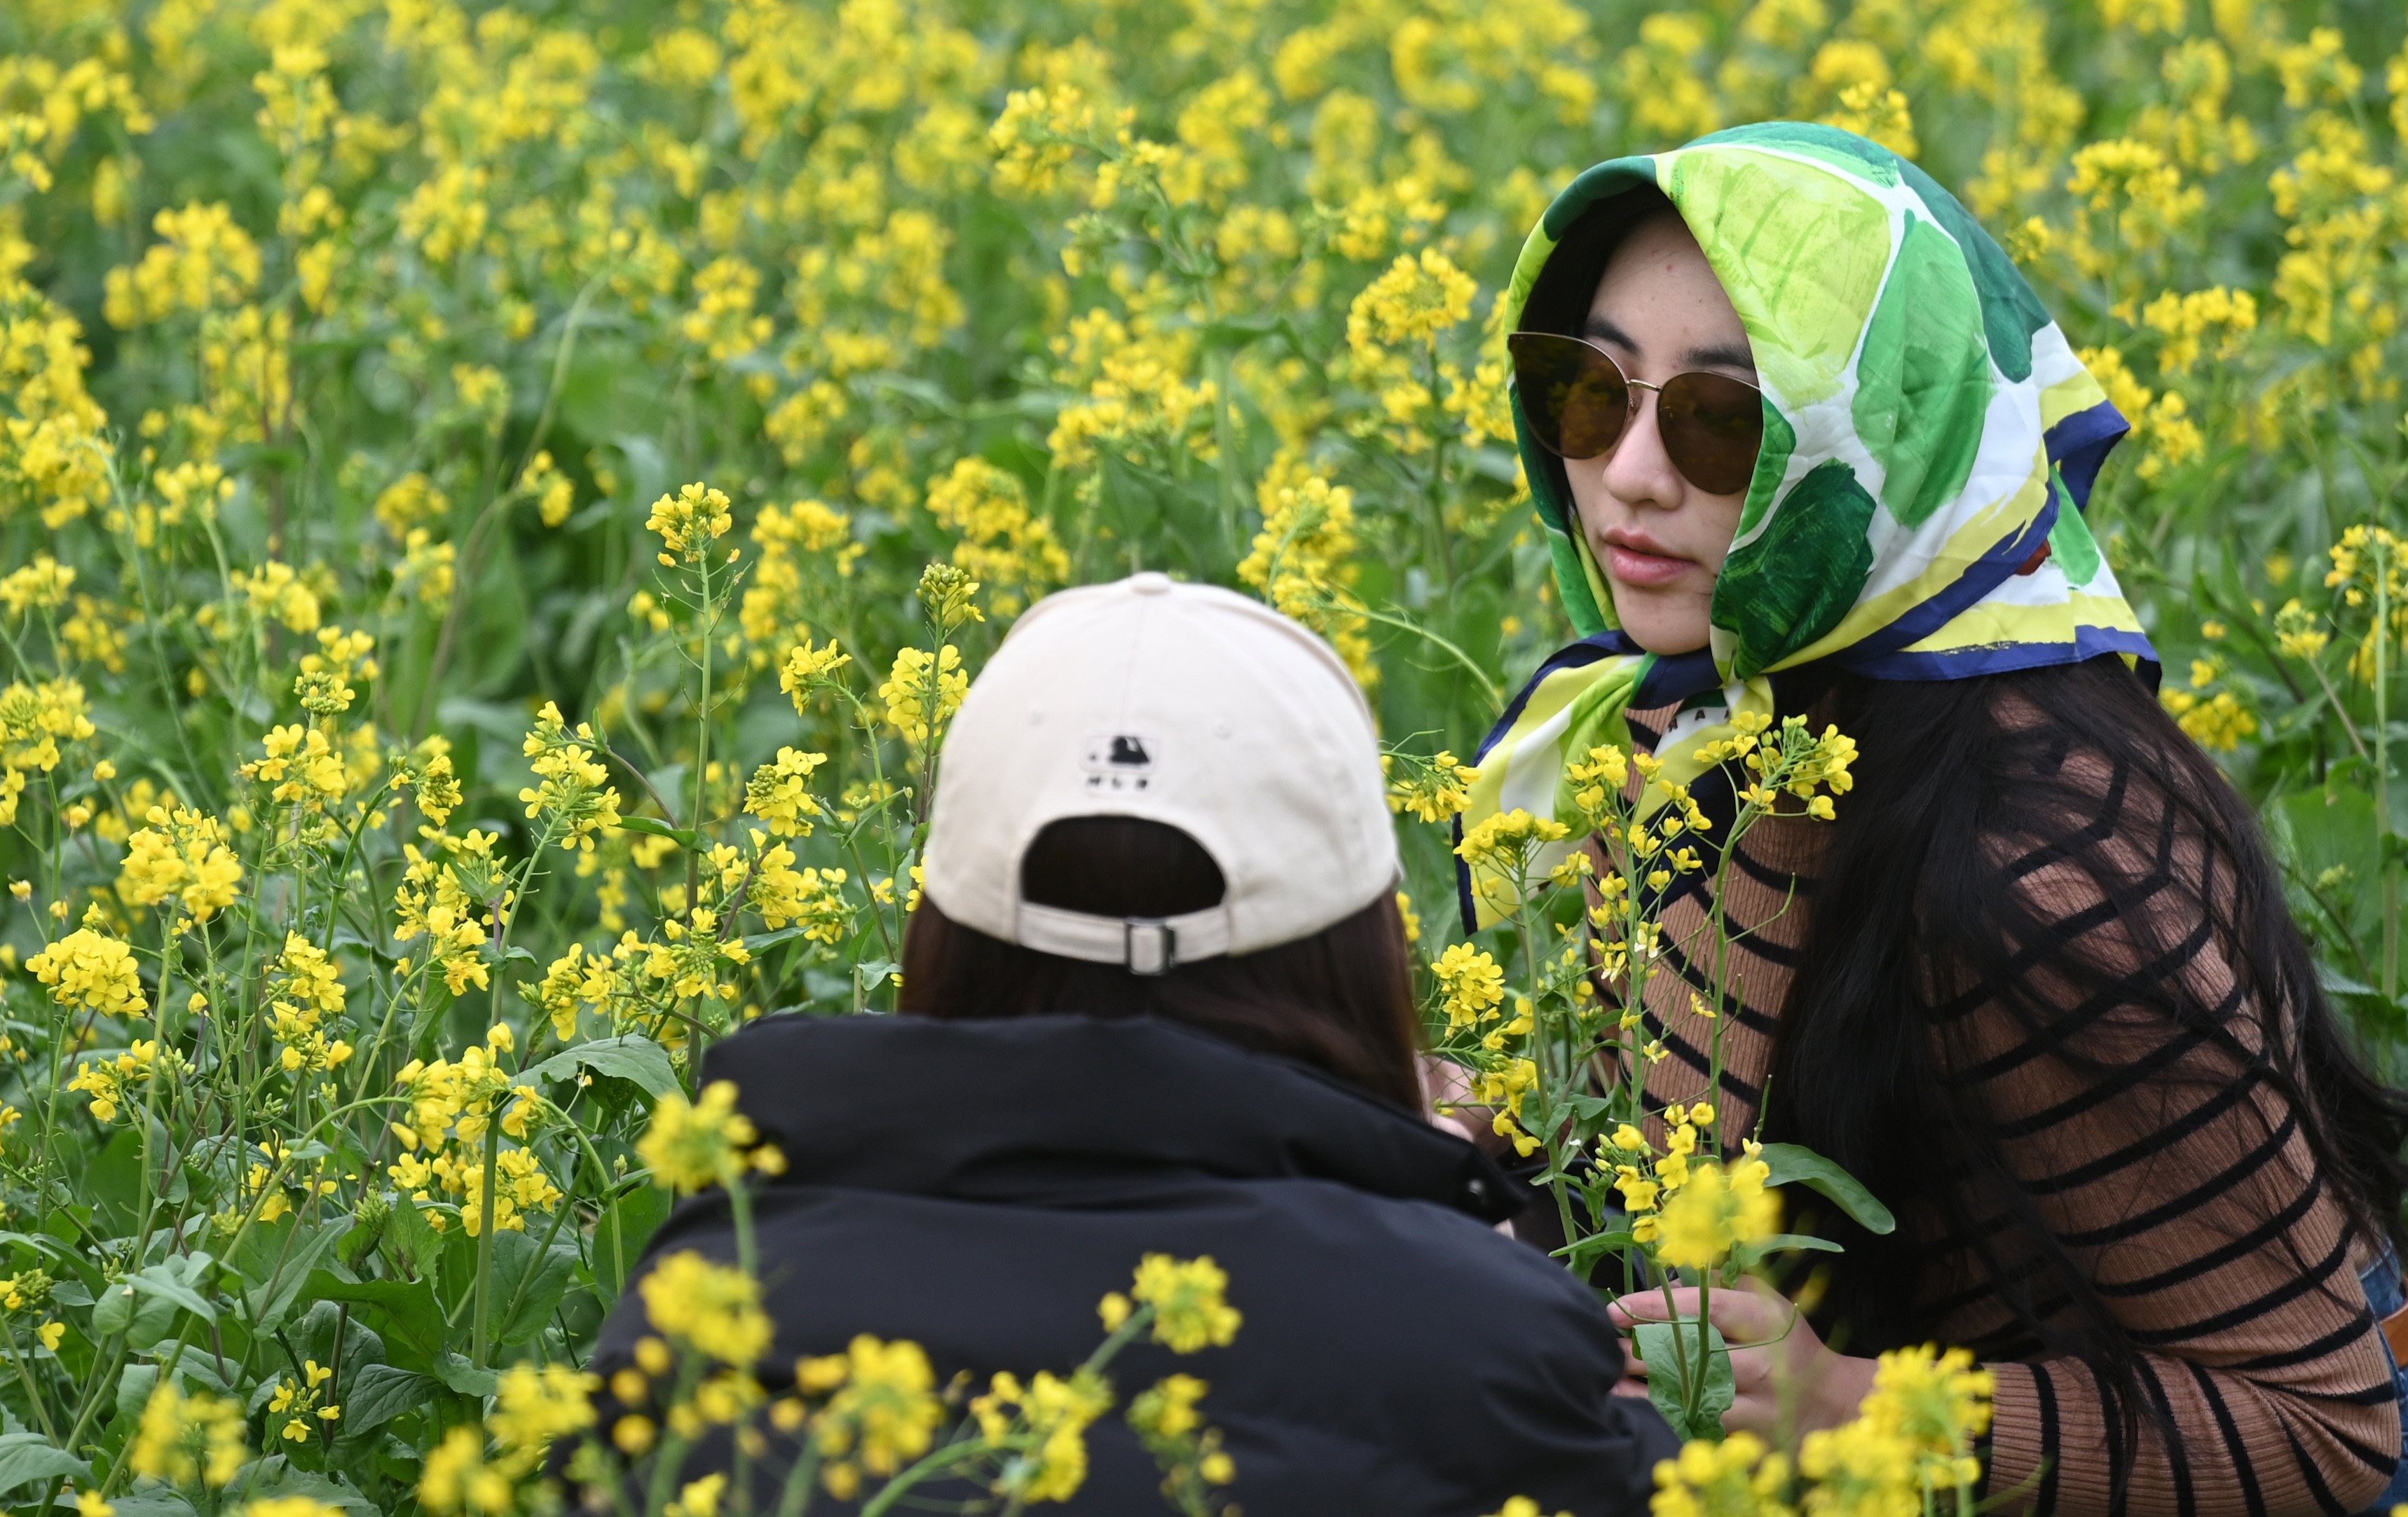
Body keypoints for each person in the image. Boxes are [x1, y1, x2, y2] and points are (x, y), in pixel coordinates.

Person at [1462, 122, 2408, 1517]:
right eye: (1587, 391)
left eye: (1720, 419)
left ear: (1876, 438)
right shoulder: (1655, 719)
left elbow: (2321, 1426)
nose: (1630, 474)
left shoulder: (2030, 863)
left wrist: (1846, 1405)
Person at [596, 570, 1674, 1514]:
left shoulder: (699, 1316)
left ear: (938, 933)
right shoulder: (1502, 1365)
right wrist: (1474, 1279)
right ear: (1367, 949)